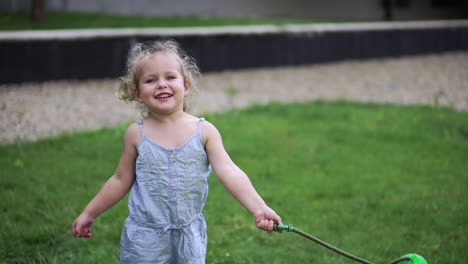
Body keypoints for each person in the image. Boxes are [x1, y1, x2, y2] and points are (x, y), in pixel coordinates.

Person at [71, 39, 282, 263]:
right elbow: (120, 179)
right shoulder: (136, 134)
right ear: (137, 93)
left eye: (170, 77)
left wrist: (259, 208)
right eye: (151, 80)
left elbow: (229, 171)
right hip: (145, 238)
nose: (161, 84)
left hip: (188, 237)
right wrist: (89, 213)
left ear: (186, 85)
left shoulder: (204, 132)